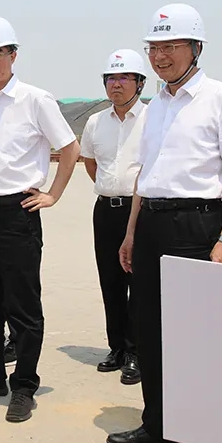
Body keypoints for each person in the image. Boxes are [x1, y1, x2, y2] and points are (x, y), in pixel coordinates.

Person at [106, 3, 222, 443]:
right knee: (149, 330)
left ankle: (206, 440)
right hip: (151, 224)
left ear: (196, 48)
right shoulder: (157, 107)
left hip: (197, 224)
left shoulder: (220, 98)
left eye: (171, 46)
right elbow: (145, 175)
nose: (160, 56)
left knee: (198, 338)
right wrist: (132, 232)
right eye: (154, 47)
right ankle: (159, 424)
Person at [0, 16, 80, 423]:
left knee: (22, 304)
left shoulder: (35, 99)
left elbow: (70, 148)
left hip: (17, 213)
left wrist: (52, 193)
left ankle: (24, 385)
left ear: (13, 55)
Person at [80, 49, 148, 385]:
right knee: (110, 281)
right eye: (110, 78)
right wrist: (112, 189)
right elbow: (91, 163)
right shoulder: (95, 122)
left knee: (139, 283)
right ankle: (117, 347)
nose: (116, 84)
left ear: (140, 83)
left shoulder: (152, 118)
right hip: (106, 210)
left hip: (142, 212)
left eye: (123, 77)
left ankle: (136, 352)